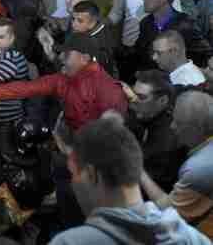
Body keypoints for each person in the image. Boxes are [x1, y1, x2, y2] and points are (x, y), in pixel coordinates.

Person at [49, 116, 211, 244]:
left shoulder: (70, 242)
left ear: (92, 174)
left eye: (74, 173)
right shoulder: (190, 237)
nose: (73, 183)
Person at [0, 33, 128, 132]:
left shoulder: (109, 89)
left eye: (67, 54)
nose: (61, 58)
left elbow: (114, 134)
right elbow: (22, 89)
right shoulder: (62, 79)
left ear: (85, 58)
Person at [140, 91, 213, 239]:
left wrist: (138, 171)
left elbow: (170, 213)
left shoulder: (198, 168)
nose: (172, 126)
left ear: (196, 129)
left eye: (178, 123)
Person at [125, 70, 183, 192]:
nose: (133, 100)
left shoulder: (166, 142)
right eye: (133, 94)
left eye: (141, 97)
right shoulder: (145, 117)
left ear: (162, 101)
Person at [133, 0, 196, 75]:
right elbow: (139, 55)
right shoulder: (145, 23)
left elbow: (203, 54)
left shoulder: (185, 23)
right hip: (152, 83)